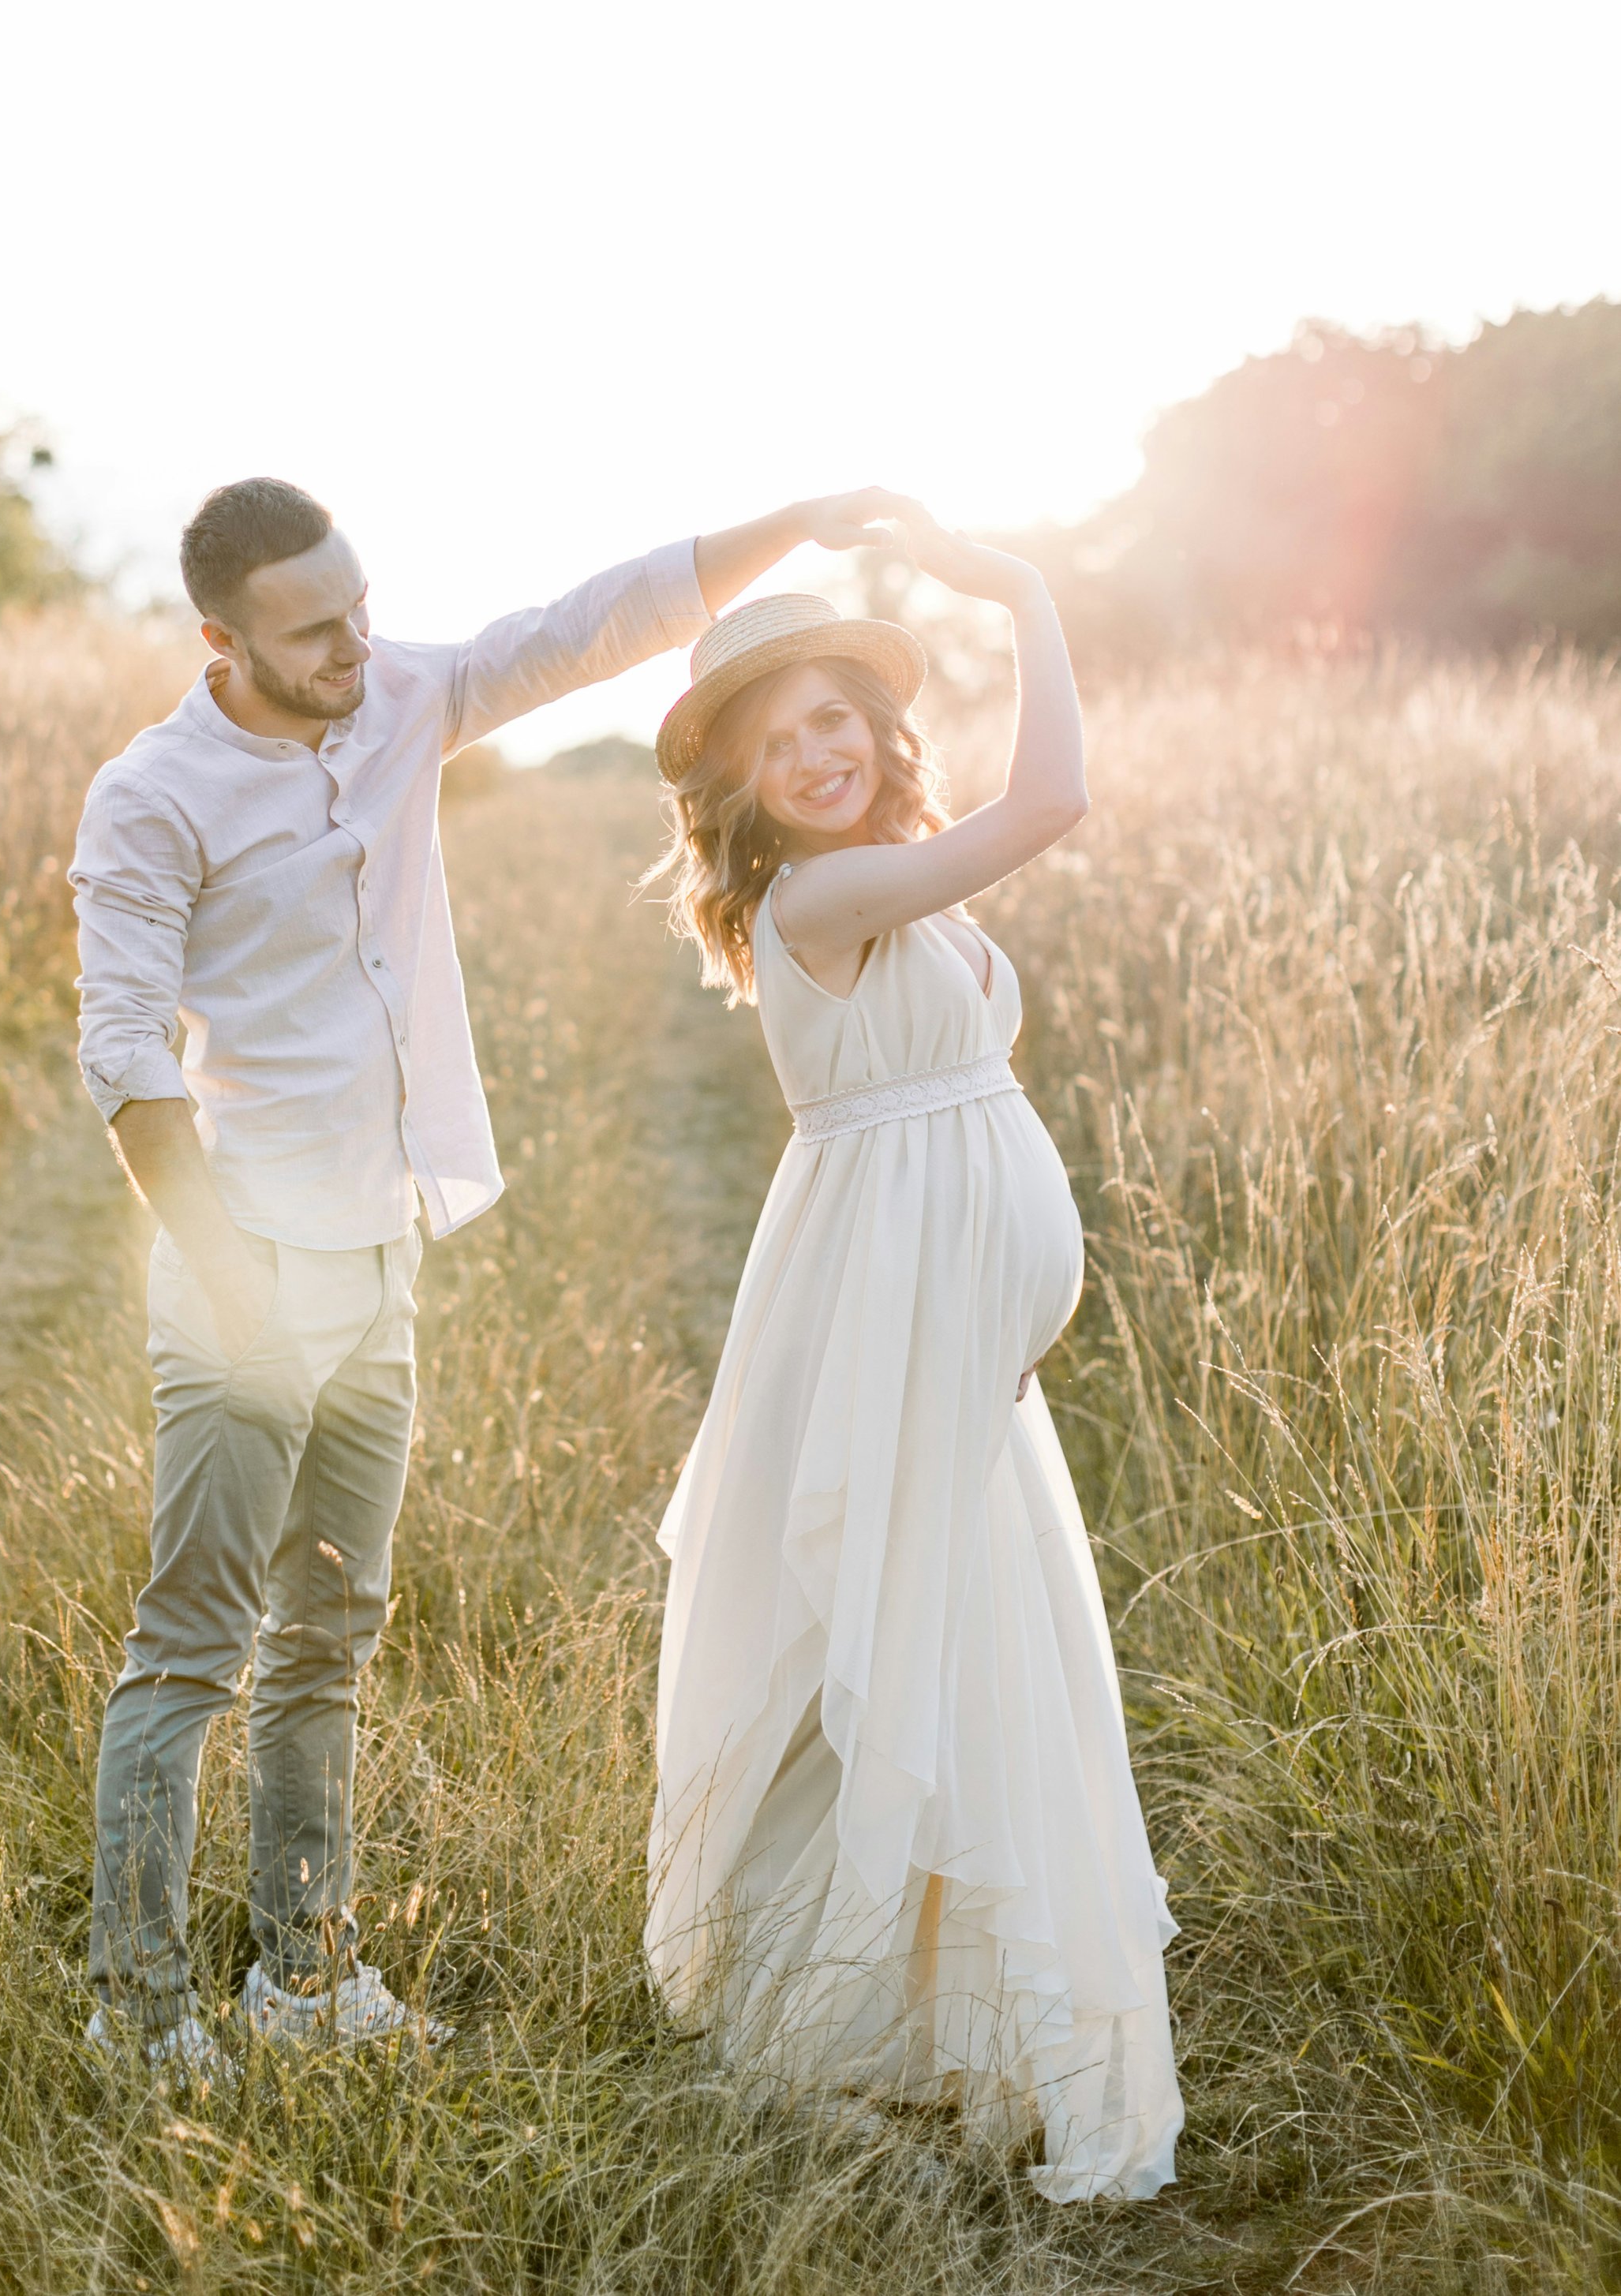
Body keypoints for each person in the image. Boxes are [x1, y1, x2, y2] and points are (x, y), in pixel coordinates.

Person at [70, 473, 900, 2066]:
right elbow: (124, 1063)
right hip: (237, 1265)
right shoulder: (154, 793)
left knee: (328, 1632)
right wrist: (233, 1292)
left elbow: (586, 625)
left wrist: (794, 522)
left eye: (360, 609)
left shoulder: (397, 698)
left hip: (373, 1252)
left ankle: (303, 1987)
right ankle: (139, 2016)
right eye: (311, 632)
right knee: (190, 1645)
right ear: (218, 640)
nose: (352, 649)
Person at [644, 500, 1182, 2199]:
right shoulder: (823, 895)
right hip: (885, 1306)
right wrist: (1019, 586)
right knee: (925, 1635)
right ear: (735, 783)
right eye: (773, 737)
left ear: (876, 733)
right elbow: (1055, 800)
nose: (810, 752)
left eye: (832, 721)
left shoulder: (890, 883)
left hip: (929, 1305)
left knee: (953, 1632)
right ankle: (881, 2007)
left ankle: (948, 2015)